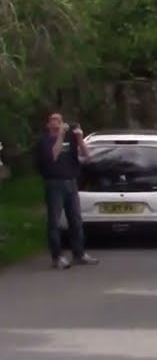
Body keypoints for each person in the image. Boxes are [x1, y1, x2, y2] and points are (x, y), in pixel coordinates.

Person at [34, 112, 98, 269]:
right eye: (53, 120)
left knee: (76, 220)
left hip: (71, 182)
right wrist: (61, 136)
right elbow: (53, 156)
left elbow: (87, 156)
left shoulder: (70, 139)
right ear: (48, 124)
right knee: (54, 222)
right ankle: (57, 257)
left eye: (59, 120)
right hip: (54, 183)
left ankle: (79, 254)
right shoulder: (44, 141)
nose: (56, 122)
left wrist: (80, 138)